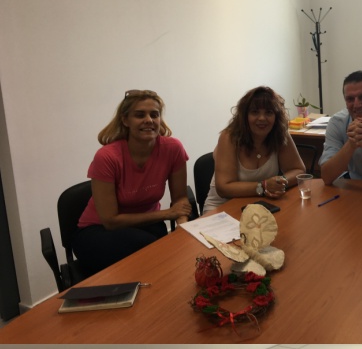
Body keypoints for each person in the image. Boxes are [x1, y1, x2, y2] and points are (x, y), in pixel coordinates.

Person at [72, 90, 192, 273]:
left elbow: (180, 199)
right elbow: (111, 221)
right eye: (139, 115)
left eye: (154, 114)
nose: (149, 120)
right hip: (99, 231)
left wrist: (182, 224)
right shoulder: (107, 157)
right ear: (125, 120)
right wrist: (168, 214)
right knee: (155, 256)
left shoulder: (172, 148)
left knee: (169, 252)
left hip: (147, 226)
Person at [203, 86, 305, 214]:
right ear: (245, 116)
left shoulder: (280, 134)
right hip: (222, 209)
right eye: (255, 112)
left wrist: (280, 182)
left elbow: (298, 170)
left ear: (276, 116)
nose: (262, 118)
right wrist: (263, 186)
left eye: (269, 112)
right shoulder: (229, 137)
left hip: (261, 206)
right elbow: (224, 188)